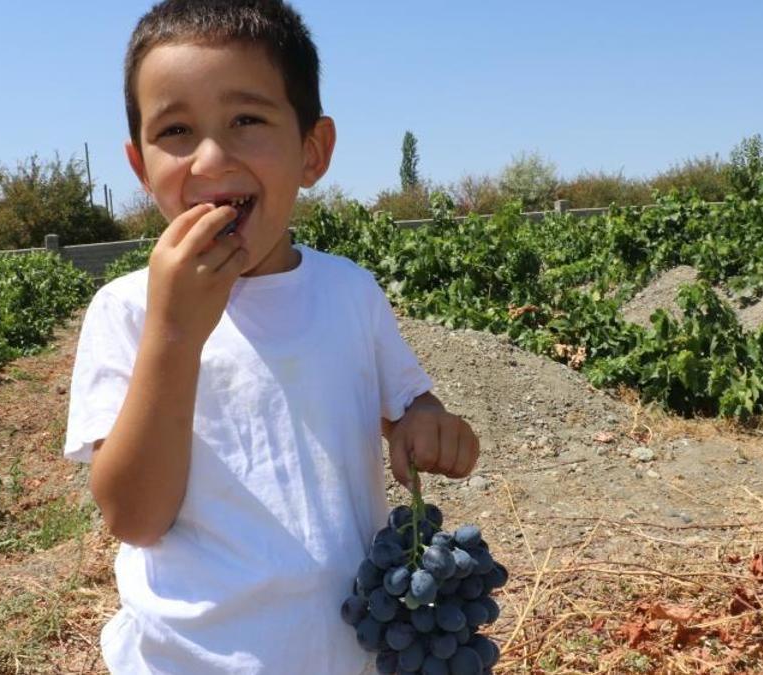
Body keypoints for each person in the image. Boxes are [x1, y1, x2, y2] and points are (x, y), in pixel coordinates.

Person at [63, 1, 480, 672]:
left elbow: (409, 407)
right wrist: (174, 332)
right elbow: (135, 517)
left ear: (312, 152)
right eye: (175, 129)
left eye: (247, 120)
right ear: (140, 167)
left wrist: (429, 425)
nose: (211, 156)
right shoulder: (126, 312)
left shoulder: (350, 292)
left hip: (345, 653)